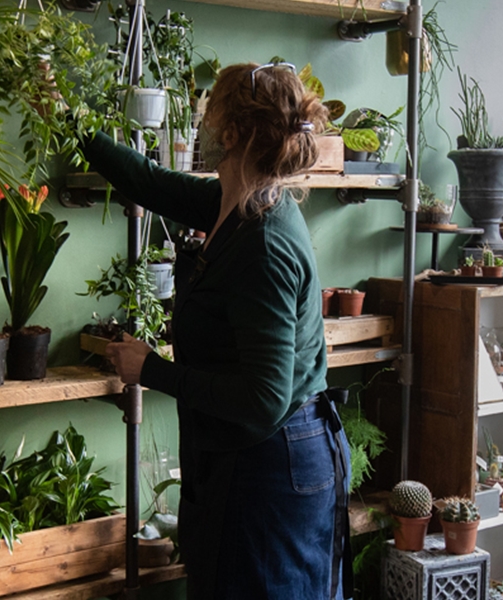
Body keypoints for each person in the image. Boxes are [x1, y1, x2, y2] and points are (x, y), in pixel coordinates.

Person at [84, 62, 346, 599]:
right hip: (253, 458)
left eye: (209, 114)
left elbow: (264, 398)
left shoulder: (263, 243)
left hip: (270, 468)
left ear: (230, 133)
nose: (199, 125)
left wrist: (151, 370)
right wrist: (73, 123)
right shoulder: (236, 203)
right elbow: (148, 181)